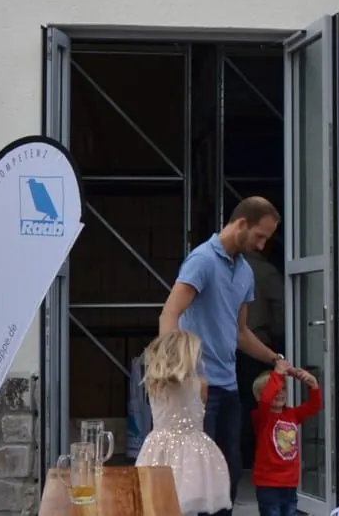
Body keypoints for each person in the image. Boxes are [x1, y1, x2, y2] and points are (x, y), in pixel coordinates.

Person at [159, 197, 289, 516]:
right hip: (198, 389)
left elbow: (240, 332)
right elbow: (169, 315)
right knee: (197, 480)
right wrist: (185, 374)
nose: (262, 245)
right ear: (241, 224)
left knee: (228, 474)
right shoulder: (202, 260)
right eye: (259, 236)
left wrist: (274, 358)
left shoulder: (245, 271)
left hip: (228, 388)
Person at [136, 331, 232, 516]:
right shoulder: (201, 384)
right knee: (186, 502)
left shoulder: (153, 384)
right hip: (192, 451)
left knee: (159, 503)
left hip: (159, 448)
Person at [251, 367, 322, 516]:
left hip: (290, 482)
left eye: (283, 389)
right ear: (260, 395)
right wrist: (278, 373)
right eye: (274, 390)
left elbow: (314, 406)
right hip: (268, 484)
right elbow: (266, 400)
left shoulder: (292, 414)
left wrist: (313, 384)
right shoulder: (262, 416)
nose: (280, 393)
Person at [238, 246, 284, 473]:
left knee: (238, 405)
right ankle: (258, 457)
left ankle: (241, 459)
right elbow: (281, 312)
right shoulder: (266, 272)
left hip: (232, 349)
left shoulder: (232, 269)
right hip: (257, 346)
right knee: (259, 405)